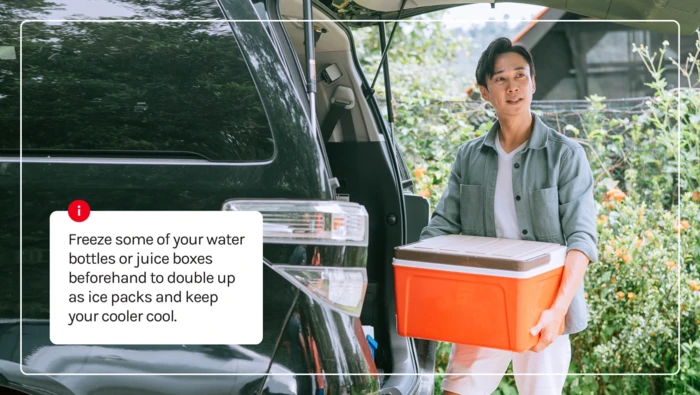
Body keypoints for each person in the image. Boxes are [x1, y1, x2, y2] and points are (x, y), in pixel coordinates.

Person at [419, 37, 598, 395]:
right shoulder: (468, 158)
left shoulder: (566, 156)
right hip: (483, 300)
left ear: (533, 83)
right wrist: (417, 270)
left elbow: (582, 240)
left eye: (520, 75)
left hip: (544, 304)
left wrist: (557, 309)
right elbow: (441, 227)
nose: (512, 85)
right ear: (485, 92)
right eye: (500, 78)